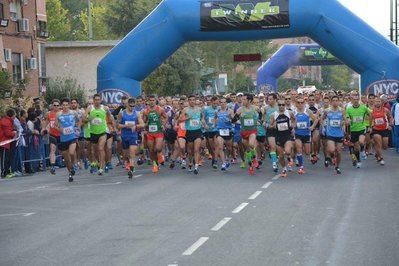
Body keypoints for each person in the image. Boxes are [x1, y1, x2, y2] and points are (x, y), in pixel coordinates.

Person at [83, 94, 113, 175]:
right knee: (95, 151)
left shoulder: (105, 108)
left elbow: (110, 117)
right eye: (95, 100)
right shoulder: (90, 108)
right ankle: (99, 163)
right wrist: (88, 119)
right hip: (93, 132)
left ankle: (101, 168)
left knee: (100, 148)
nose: (97, 101)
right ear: (93, 100)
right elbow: (84, 118)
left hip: (103, 132)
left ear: (100, 100)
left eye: (98, 99)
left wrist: (110, 126)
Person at [117, 98, 145, 178]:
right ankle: (129, 164)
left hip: (133, 136)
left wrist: (136, 126)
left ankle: (131, 169)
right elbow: (117, 125)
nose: (132, 107)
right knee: (126, 155)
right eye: (130, 106)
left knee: (132, 152)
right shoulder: (122, 113)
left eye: (133, 106)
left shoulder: (137, 113)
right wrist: (125, 126)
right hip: (124, 136)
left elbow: (142, 124)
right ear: (127, 105)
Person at [233, 94, 259, 175]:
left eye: (244, 99)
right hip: (244, 131)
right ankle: (250, 166)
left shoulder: (255, 108)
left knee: (251, 144)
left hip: (252, 131)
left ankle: (254, 158)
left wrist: (259, 121)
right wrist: (237, 121)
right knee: (247, 150)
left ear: (249, 101)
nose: (242, 101)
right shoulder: (240, 109)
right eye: (242, 99)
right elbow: (234, 119)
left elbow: (261, 114)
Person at [55, 98, 80, 182]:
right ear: (61, 106)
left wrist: (78, 128)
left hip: (72, 137)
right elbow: (55, 125)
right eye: (63, 105)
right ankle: (70, 173)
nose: (65, 107)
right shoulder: (58, 114)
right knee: (66, 159)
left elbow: (79, 121)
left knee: (72, 153)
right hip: (63, 139)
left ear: (69, 105)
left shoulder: (73, 113)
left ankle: (74, 164)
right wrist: (60, 130)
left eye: (66, 105)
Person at [270, 99, 296, 178]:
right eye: (279, 105)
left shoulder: (289, 113)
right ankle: (284, 169)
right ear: (277, 105)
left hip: (287, 135)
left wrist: (293, 127)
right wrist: (273, 126)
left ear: (285, 105)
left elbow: (294, 121)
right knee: (281, 156)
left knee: (287, 151)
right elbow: (270, 125)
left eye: (283, 105)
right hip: (278, 136)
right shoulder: (274, 114)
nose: (281, 106)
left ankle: (289, 158)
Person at [142, 95, 168, 173]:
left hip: (159, 131)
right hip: (150, 132)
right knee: (151, 150)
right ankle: (155, 164)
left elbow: (165, 117)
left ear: (155, 101)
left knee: (158, 148)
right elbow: (144, 121)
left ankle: (160, 154)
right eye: (150, 100)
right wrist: (145, 126)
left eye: (153, 100)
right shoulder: (145, 111)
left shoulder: (160, 109)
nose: (152, 101)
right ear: (148, 101)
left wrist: (163, 125)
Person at [346, 92, 371, 168]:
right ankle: (358, 160)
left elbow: (371, 115)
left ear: (359, 100)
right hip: (353, 130)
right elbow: (347, 118)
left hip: (362, 128)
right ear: (352, 101)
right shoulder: (349, 109)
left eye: (357, 99)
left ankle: (363, 150)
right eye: (354, 99)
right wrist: (348, 120)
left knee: (361, 141)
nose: (356, 101)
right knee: (356, 147)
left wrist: (370, 125)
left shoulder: (363, 107)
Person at [322, 95, 345, 174]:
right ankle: (331, 156)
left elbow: (346, 119)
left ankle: (337, 167)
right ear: (331, 102)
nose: (335, 102)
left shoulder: (342, 110)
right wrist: (323, 128)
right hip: (330, 134)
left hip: (339, 134)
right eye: (333, 101)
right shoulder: (327, 111)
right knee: (332, 149)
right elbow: (322, 118)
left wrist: (344, 122)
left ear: (339, 102)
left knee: (338, 151)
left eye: (336, 100)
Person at [180, 95, 203, 174]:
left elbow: (202, 118)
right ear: (188, 101)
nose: (192, 101)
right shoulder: (185, 110)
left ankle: (196, 166)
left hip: (198, 131)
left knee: (196, 149)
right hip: (189, 132)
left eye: (193, 100)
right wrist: (187, 118)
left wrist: (203, 122)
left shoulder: (199, 109)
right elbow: (180, 119)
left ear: (195, 101)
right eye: (190, 100)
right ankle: (190, 162)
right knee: (190, 151)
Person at [370, 97, 393, 165]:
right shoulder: (372, 111)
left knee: (385, 146)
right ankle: (381, 158)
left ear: (381, 102)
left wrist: (390, 125)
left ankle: (377, 154)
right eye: (376, 101)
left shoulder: (385, 110)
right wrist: (370, 128)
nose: (377, 103)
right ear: (374, 103)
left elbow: (390, 117)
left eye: (379, 101)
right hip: (376, 130)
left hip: (385, 129)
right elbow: (370, 121)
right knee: (378, 143)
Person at [215, 97, 234, 171]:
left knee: (229, 148)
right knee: (220, 147)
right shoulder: (217, 111)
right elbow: (215, 118)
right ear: (219, 103)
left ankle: (227, 158)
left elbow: (233, 121)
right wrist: (215, 124)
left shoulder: (230, 111)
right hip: (220, 131)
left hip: (228, 131)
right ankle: (224, 163)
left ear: (226, 103)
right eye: (221, 102)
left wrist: (230, 118)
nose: (223, 104)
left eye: (224, 102)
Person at [44, 99, 61, 175]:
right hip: (52, 135)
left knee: (64, 152)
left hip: (61, 135)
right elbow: (46, 123)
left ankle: (71, 163)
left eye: (57, 105)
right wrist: (44, 129)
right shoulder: (49, 114)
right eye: (55, 105)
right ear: (52, 106)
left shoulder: (61, 113)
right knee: (52, 150)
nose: (56, 107)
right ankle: (53, 166)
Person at [0, 109, 17, 179]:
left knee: (7, 157)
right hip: (4, 142)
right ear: (12, 115)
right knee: (4, 158)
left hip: (7, 142)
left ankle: (7, 171)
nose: (15, 117)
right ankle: (4, 172)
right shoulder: (5, 121)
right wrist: (14, 133)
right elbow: (7, 133)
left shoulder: (9, 121)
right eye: (14, 115)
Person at [203, 96, 219, 169]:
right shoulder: (206, 109)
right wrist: (205, 124)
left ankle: (215, 160)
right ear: (211, 102)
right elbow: (203, 118)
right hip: (209, 130)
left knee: (216, 145)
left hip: (216, 129)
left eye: (217, 103)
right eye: (215, 103)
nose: (216, 104)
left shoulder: (218, 109)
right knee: (211, 147)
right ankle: (213, 157)